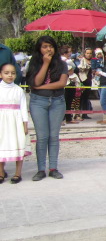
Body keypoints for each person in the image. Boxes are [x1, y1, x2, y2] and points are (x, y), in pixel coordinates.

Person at [26, 35, 69, 181]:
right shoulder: (33, 63)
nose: (48, 49)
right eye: (44, 46)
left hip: (57, 101)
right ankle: (40, 169)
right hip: (38, 102)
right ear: (39, 48)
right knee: (42, 137)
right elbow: (35, 81)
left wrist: (41, 87)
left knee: (53, 136)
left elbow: (62, 83)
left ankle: (53, 168)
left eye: (50, 46)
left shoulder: (62, 63)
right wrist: (45, 63)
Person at [0, 63, 31, 184]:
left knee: (18, 144)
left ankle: (18, 173)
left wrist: (25, 124)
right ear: (1, 74)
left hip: (16, 122)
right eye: (6, 73)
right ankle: (1, 173)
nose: (10, 75)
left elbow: (23, 108)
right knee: (1, 145)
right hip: (2, 122)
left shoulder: (18, 90)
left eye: (13, 73)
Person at [77, 48, 93, 119]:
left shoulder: (93, 61)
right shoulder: (81, 60)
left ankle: (85, 114)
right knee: (80, 98)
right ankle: (78, 114)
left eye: (90, 53)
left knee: (86, 98)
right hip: (82, 81)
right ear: (85, 54)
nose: (89, 55)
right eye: (87, 53)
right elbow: (79, 69)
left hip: (88, 81)